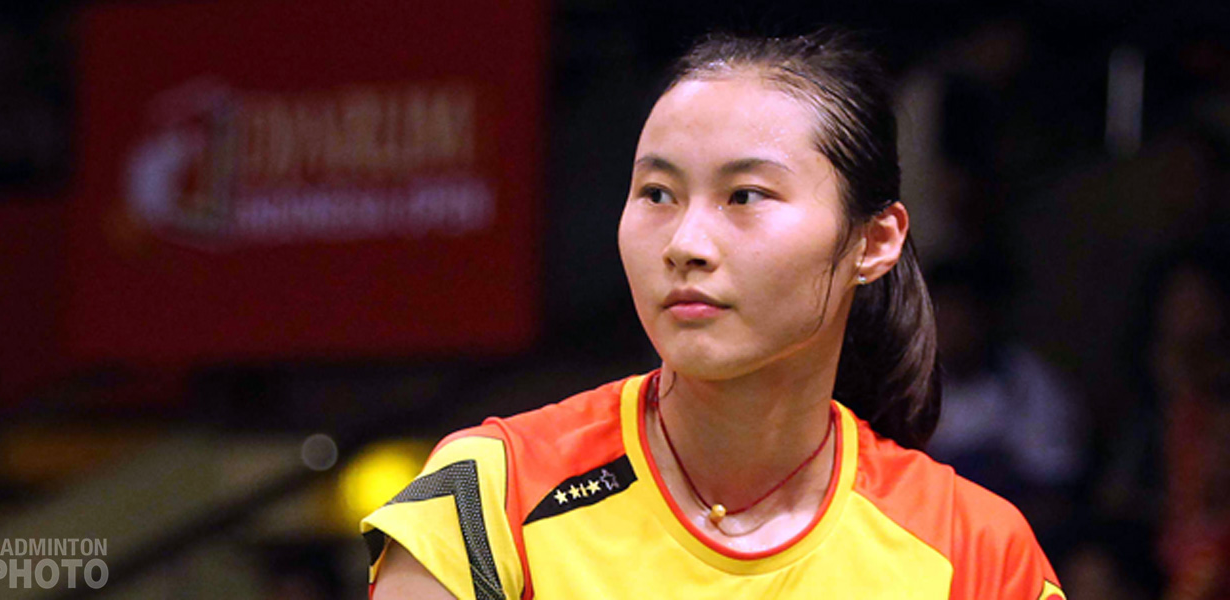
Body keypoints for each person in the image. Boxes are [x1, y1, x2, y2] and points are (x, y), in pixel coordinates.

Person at [362, 28, 1063, 599]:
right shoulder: (488, 496)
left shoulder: (974, 551)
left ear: (874, 242)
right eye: (657, 194)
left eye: (744, 196)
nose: (685, 244)